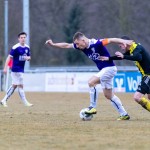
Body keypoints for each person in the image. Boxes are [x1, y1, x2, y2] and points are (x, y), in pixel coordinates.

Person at [45, 32, 130, 120]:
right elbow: (66, 45)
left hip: (109, 68)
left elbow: (111, 40)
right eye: (76, 44)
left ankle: (92, 107)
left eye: (77, 43)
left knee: (91, 82)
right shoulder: (82, 47)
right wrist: (54, 44)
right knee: (109, 95)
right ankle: (124, 114)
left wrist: (124, 41)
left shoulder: (97, 43)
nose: (77, 46)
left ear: (83, 40)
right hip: (105, 70)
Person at [100, 36, 150, 112]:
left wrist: (124, 56)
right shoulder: (131, 49)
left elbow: (138, 57)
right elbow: (121, 57)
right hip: (146, 76)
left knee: (137, 97)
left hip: (148, 76)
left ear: (125, 43)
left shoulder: (137, 48)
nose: (120, 47)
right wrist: (109, 58)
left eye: (120, 45)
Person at [0, 32, 33, 107]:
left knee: (16, 86)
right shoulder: (15, 47)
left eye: (24, 37)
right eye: (21, 37)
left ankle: (3, 100)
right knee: (18, 85)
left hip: (21, 69)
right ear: (19, 39)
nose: (23, 39)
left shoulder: (27, 47)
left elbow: (29, 57)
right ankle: (25, 103)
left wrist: (28, 58)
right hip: (15, 69)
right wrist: (5, 67)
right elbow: (9, 57)